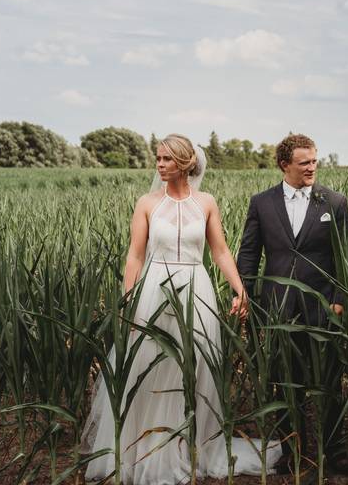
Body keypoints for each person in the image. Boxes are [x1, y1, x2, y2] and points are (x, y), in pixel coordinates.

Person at [82, 134, 281, 484]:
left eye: (167, 160)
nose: (159, 165)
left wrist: (239, 288)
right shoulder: (146, 203)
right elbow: (135, 254)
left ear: (186, 164)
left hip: (196, 289)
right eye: (158, 159)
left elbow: (219, 251)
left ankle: (189, 449)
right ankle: (144, 451)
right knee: (149, 365)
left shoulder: (205, 203)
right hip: (152, 291)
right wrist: (128, 297)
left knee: (194, 366)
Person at [236, 133, 348, 476]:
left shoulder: (335, 202)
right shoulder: (262, 202)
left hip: (322, 308)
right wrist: (246, 293)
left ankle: (335, 453)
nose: (312, 167)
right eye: (304, 163)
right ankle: (293, 451)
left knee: (330, 382)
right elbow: (249, 252)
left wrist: (340, 300)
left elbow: (344, 257)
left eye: (315, 161)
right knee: (286, 380)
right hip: (277, 308)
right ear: (284, 165)